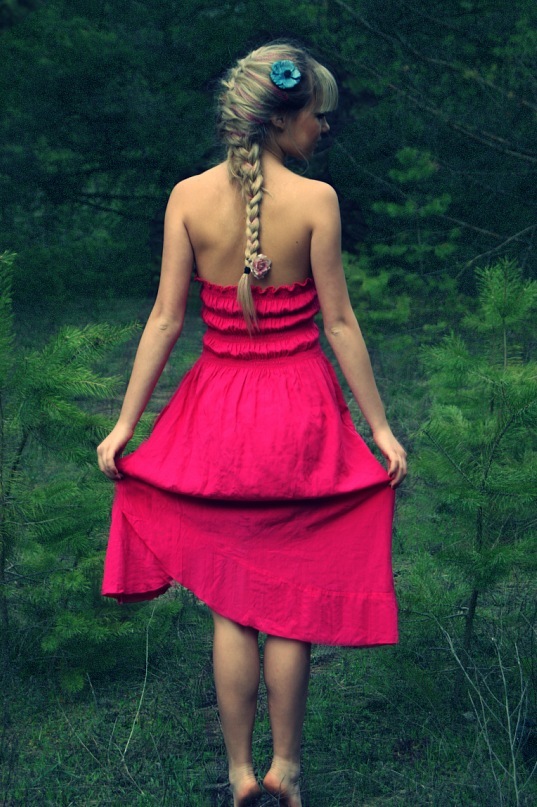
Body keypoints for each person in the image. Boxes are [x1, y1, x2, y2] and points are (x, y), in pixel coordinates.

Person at [97, 41, 406, 807]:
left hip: (217, 421)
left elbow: (166, 319)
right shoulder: (317, 201)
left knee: (234, 606)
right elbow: (339, 322)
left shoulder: (186, 197)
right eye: (317, 115)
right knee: (289, 606)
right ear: (281, 119)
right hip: (299, 420)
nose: (323, 128)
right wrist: (378, 429)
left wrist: (125, 424)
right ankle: (285, 769)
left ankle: (239, 772)